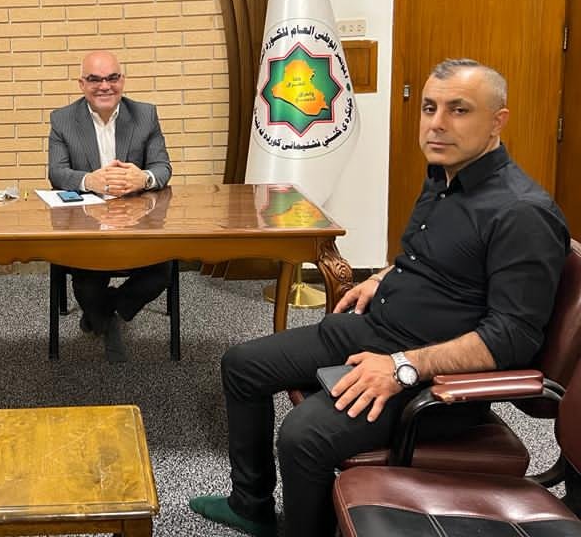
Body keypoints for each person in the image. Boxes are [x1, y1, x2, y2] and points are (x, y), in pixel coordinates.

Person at [189, 59, 570, 536]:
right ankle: (251, 506)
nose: (437, 123)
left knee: (303, 435)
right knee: (242, 365)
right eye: (429, 108)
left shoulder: (522, 214)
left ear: (498, 121)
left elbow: (511, 337)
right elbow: (433, 257)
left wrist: (400, 366)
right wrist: (384, 277)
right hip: (378, 329)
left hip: (434, 379)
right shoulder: (444, 176)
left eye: (459, 110)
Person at [48, 49, 173, 362]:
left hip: (137, 220)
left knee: (162, 272)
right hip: (88, 222)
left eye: (112, 78)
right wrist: (90, 180)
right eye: (95, 79)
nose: (104, 86)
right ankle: (107, 316)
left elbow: (162, 167)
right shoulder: (62, 119)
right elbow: (57, 172)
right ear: (82, 84)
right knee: (86, 283)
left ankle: (105, 313)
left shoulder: (145, 115)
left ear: (122, 80)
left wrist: (143, 178)